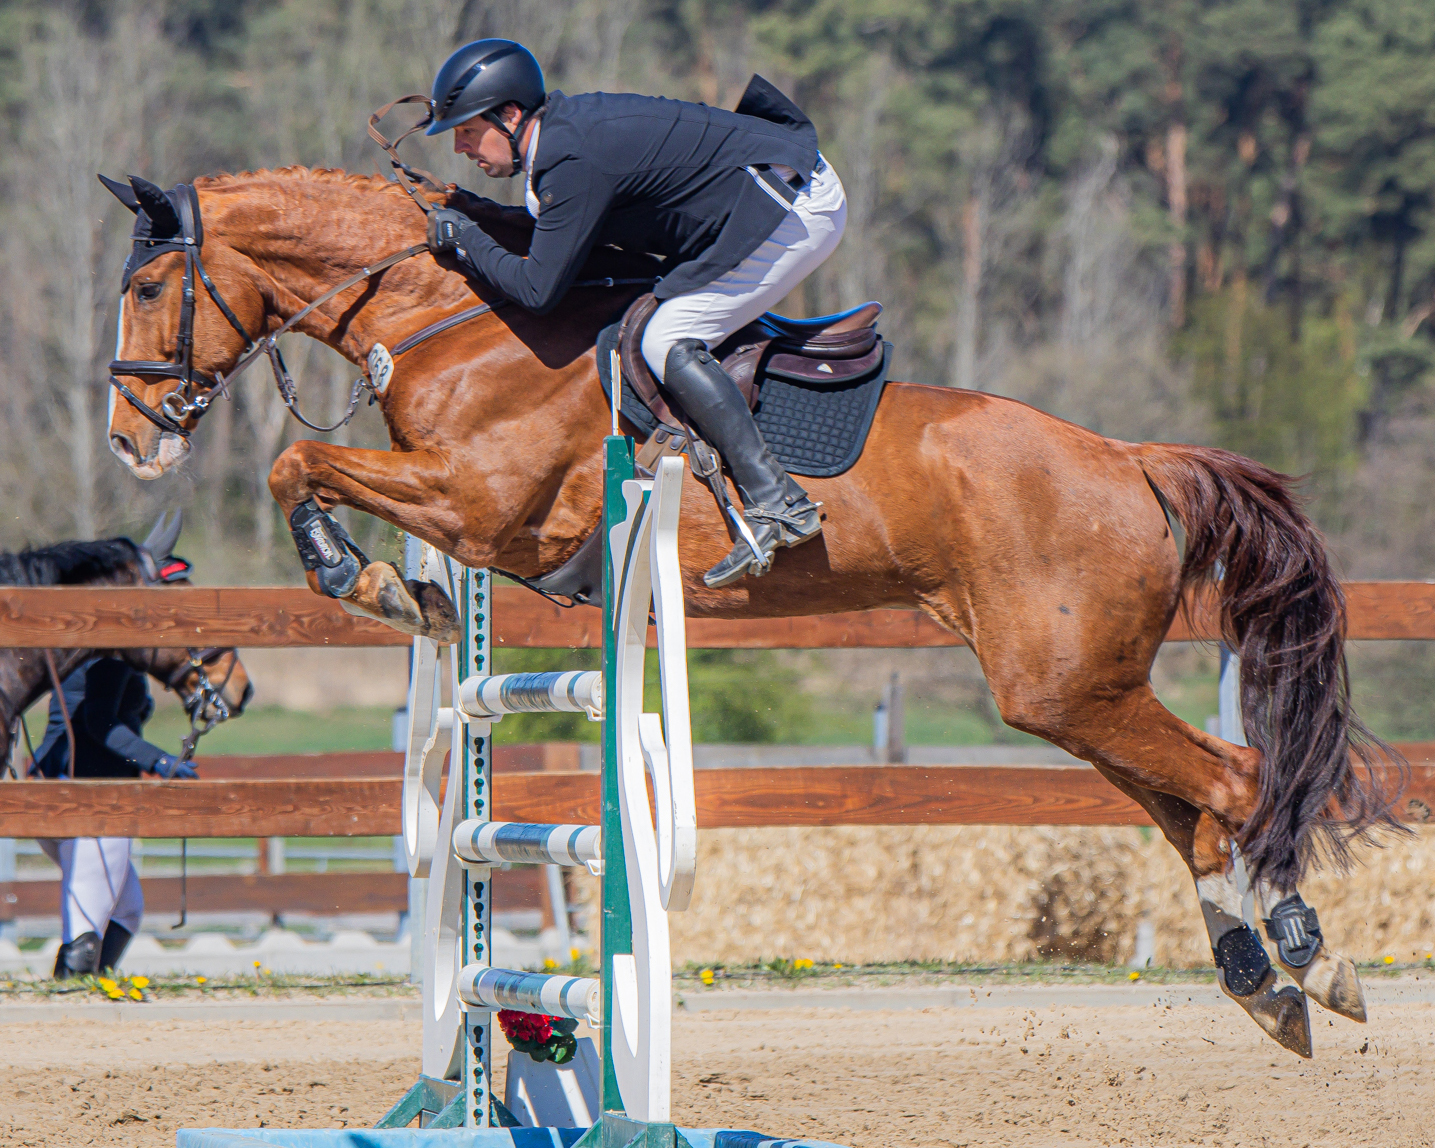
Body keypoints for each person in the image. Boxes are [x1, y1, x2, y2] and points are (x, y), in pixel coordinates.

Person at [422, 39, 847, 589]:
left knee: (666, 338)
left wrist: (464, 236)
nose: (460, 147)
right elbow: (555, 233)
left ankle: (777, 500)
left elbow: (537, 289)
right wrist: (477, 217)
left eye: (466, 131)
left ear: (510, 115)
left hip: (794, 206)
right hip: (762, 185)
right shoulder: (559, 144)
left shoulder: (571, 158)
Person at [32, 657, 197, 978]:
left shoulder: (78, 651)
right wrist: (158, 761)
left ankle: (93, 984)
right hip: (97, 797)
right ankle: (72, 995)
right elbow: (100, 722)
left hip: (53, 788)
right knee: (85, 925)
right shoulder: (111, 655)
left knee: (126, 910)